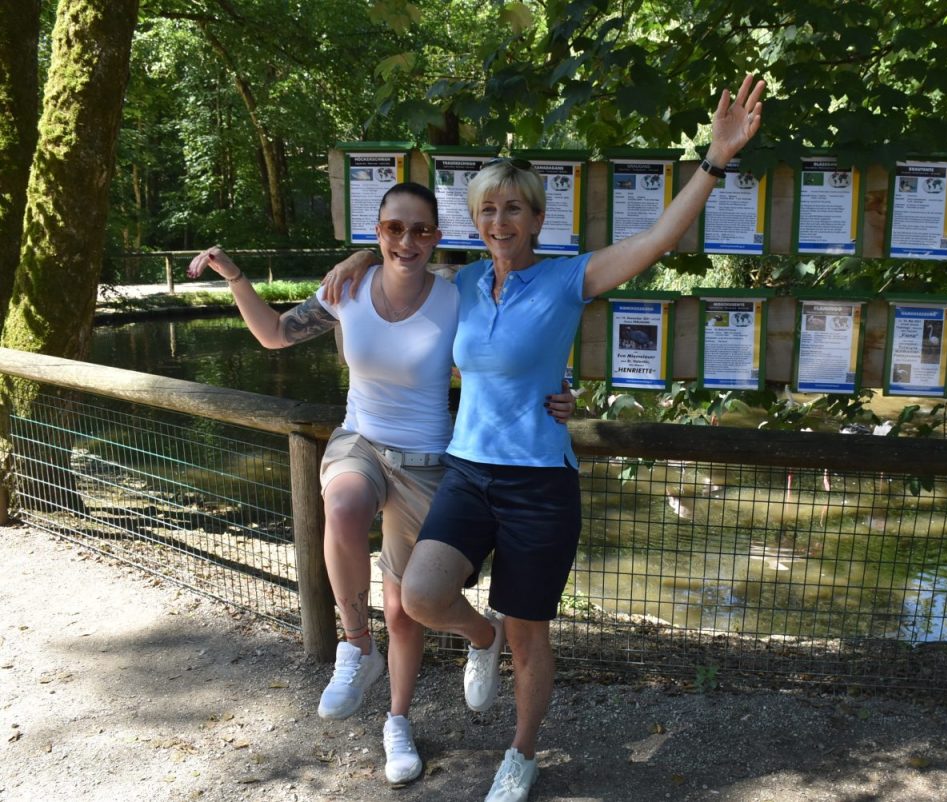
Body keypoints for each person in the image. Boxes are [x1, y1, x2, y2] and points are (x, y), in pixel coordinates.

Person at [325, 73, 765, 802]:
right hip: (467, 472)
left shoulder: (569, 280)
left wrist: (713, 162)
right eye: (488, 209)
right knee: (424, 594)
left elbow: (658, 239)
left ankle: (521, 753)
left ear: (536, 218)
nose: (500, 220)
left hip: (539, 483)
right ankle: (481, 638)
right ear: (478, 219)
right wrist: (361, 259)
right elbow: (399, 261)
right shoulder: (458, 282)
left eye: (515, 209)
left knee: (532, 634)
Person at [185, 183, 576, 787]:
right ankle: (354, 645)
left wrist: (562, 388)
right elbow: (274, 335)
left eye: (422, 230)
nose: (407, 240)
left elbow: (519, 332)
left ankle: (420, 696)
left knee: (406, 609)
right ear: (377, 230)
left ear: (437, 237)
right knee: (341, 508)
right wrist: (236, 275)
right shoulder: (347, 288)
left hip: (428, 459)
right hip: (360, 440)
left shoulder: (456, 292)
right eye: (394, 228)